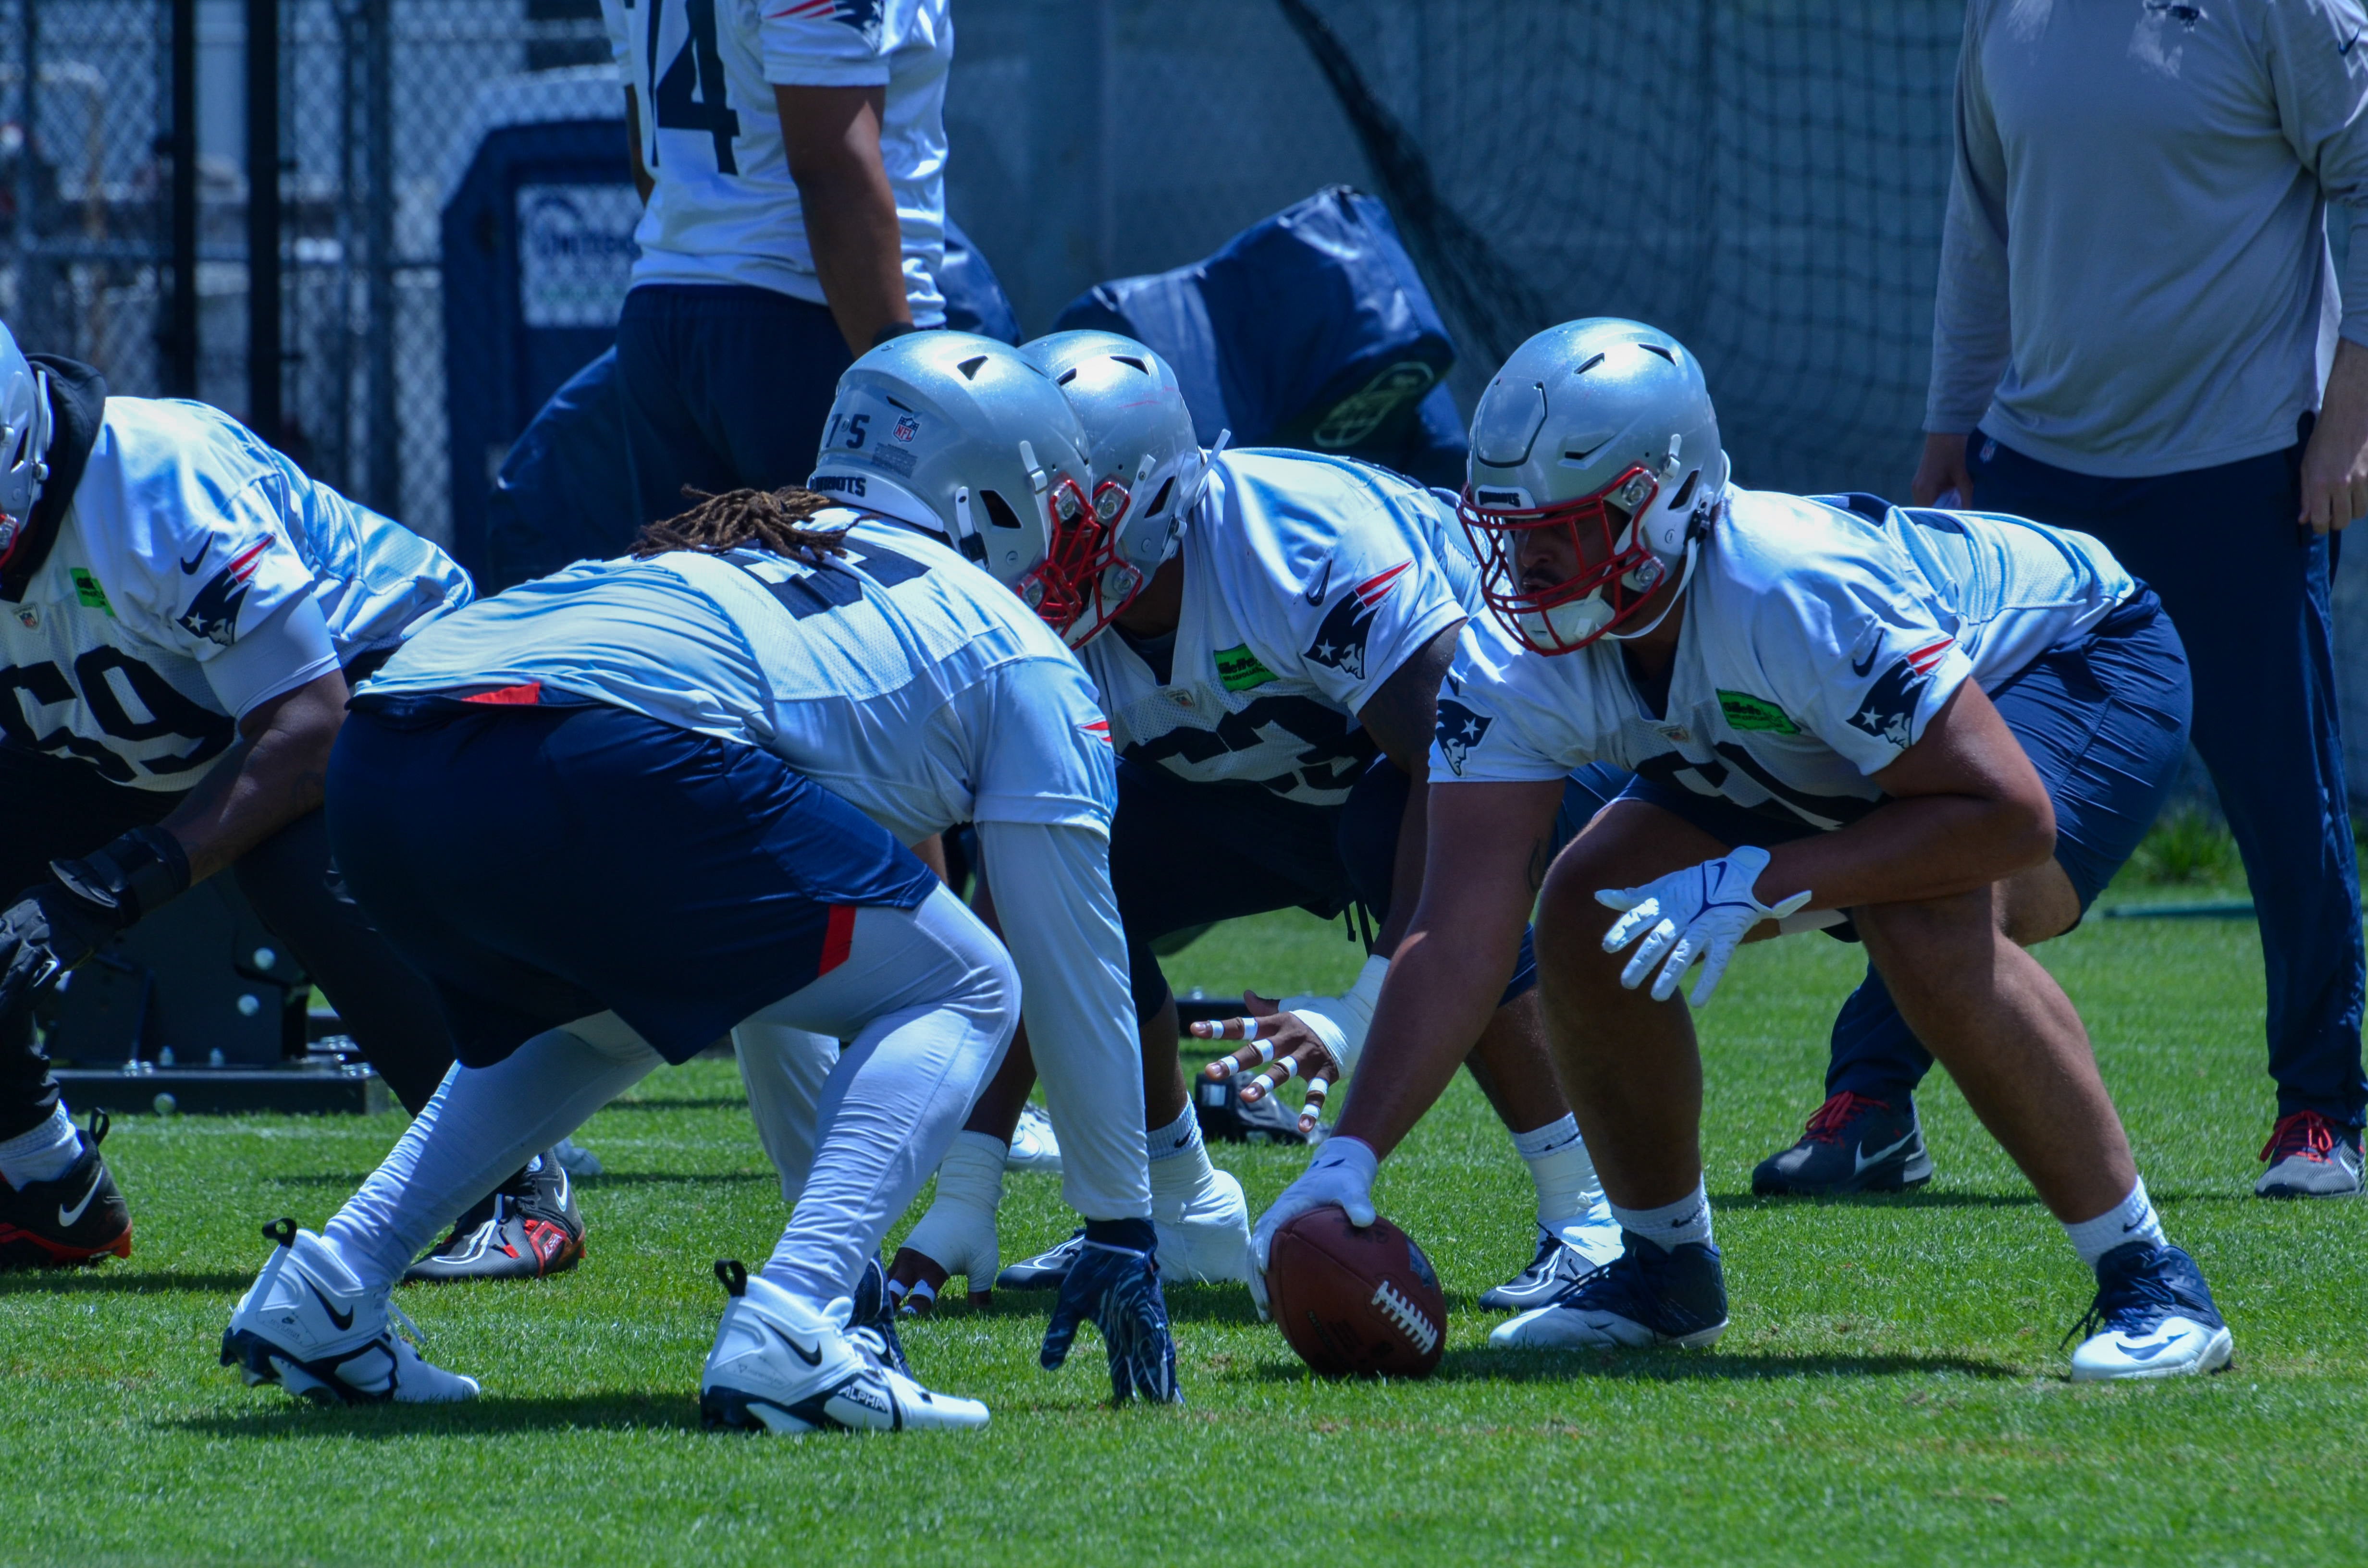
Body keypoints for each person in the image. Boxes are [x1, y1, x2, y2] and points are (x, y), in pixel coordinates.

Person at [222, 333, 1179, 1419]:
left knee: (602, 1016)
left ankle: (329, 1289)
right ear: (999, 496)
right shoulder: (1009, 644)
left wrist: (843, 1239)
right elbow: (1074, 962)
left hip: (390, 751)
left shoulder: (752, 549)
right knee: (972, 983)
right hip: (582, 754)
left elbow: (775, 988)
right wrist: (1119, 1225)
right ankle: (796, 1324)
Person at [1260, 318, 2233, 1382]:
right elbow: (1456, 928)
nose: (1527, 562)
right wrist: (1345, 1162)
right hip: (1814, 734)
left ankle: (2150, 1276)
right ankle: (1664, 1271)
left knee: (1926, 910)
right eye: (1511, 528)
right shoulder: (1512, 653)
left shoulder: (1784, 586)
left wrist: (1761, 881)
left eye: (1566, 529)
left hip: (2071, 659)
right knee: (1588, 901)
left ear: (1668, 502)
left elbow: (2006, 818)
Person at [886, 331, 1622, 1316]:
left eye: (1065, 522)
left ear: (1145, 505)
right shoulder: (1061, 605)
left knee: (1382, 830)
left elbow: (1455, 776)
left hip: (1508, 759)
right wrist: (968, 1181)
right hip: (1272, 788)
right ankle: (1181, 1208)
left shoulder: (1298, 542)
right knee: (1063, 857)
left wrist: (1351, 1017)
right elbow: (1022, 879)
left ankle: (1590, 1217)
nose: (1030, 551)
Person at [1783, 0, 2368, 1200]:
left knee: (2283, 802)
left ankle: (2321, 1111)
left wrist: (2350, 421)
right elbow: (1980, 224)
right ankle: (1871, 1103)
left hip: (2242, 467)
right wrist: (1951, 429)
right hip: (2032, 477)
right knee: (1956, 794)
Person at [0, 322, 582, 1282]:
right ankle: (42, 1180)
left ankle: (513, 1182)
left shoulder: (156, 482)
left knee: (298, 851)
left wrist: (106, 886)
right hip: (189, 719)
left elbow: (309, 731)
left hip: (400, 687)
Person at [598, 0, 953, 527]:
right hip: (813, 318)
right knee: (863, 602)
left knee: (701, 603)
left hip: (665, 313)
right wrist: (902, 382)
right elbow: (832, 167)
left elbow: (643, 150)